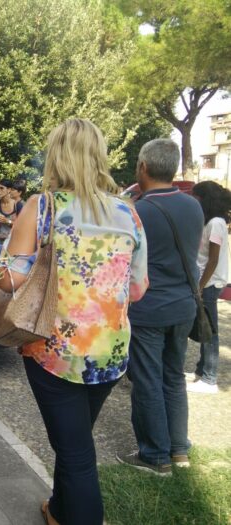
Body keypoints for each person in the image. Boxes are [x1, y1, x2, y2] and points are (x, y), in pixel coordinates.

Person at [0, 119, 148, 525]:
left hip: (54, 351)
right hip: (111, 352)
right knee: (73, 440)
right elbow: (138, 289)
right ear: (98, 155)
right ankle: (59, 509)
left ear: (56, 155)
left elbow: (12, 279)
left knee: (76, 452)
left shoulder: (42, 207)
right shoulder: (128, 213)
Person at [117, 138, 203, 475]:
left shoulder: (136, 210)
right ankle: (179, 450)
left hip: (148, 308)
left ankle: (154, 455)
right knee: (174, 377)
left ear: (143, 168)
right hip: (184, 306)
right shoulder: (194, 206)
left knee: (147, 379)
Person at [186, 181, 231, 394]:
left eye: (196, 196)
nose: (193, 200)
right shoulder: (210, 222)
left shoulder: (216, 223)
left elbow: (212, 259)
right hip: (205, 282)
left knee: (210, 331)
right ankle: (201, 371)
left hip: (210, 284)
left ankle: (210, 378)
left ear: (205, 199)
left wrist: (200, 286)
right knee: (204, 327)